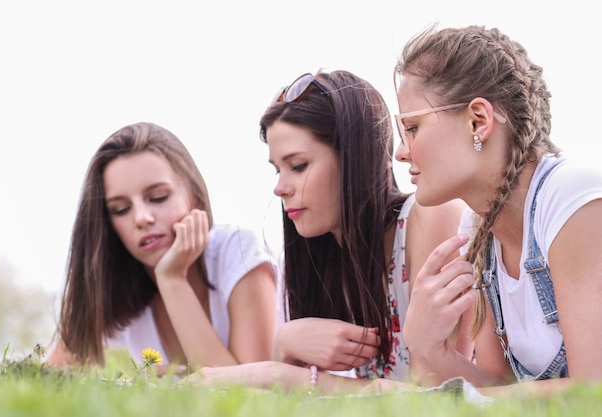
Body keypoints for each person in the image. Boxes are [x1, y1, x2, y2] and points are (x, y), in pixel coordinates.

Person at [183, 69, 472, 393]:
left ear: (354, 158)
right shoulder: (327, 260)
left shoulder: (430, 217)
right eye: (278, 170)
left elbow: (436, 395)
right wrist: (284, 347)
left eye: (298, 165)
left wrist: (278, 373)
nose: (280, 188)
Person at [391, 24, 602, 394]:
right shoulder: (478, 232)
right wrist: (429, 351)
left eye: (411, 127)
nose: (401, 151)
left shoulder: (571, 200)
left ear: (479, 121)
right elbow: (501, 392)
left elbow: (593, 392)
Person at [46, 122, 278, 374]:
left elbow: (251, 393)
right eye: (121, 209)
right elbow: (45, 381)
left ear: (195, 195)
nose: (141, 218)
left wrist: (172, 279)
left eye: (158, 197)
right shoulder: (114, 289)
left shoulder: (238, 250)